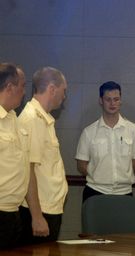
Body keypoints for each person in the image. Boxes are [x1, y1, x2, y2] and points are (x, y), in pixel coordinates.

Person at [18, 67, 68, 244]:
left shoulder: (43, 118)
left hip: (48, 208)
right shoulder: (33, 119)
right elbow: (28, 171)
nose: (64, 97)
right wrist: (37, 217)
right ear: (52, 89)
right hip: (40, 211)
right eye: (64, 91)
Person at [75, 81, 135, 202]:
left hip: (124, 193)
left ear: (120, 100)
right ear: (101, 101)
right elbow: (81, 164)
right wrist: (98, 176)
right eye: (108, 99)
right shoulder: (88, 132)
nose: (112, 103)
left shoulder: (132, 130)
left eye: (116, 99)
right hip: (95, 192)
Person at [0, 63, 28, 249]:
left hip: (13, 211)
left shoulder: (12, 118)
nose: (24, 92)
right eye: (22, 86)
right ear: (9, 87)